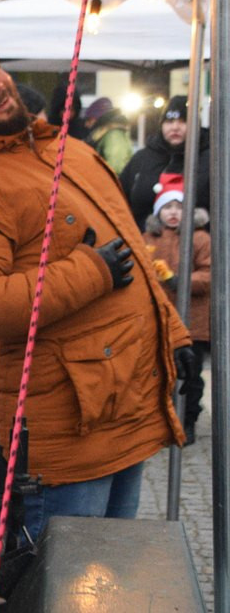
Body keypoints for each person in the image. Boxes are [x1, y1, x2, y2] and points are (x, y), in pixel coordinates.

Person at [0, 37, 196, 543]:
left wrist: (176, 337)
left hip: (123, 408)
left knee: (115, 574)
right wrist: (89, 273)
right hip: (66, 429)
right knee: (68, 584)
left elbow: (135, 259)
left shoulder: (67, 151)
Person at [142, 175, 210, 446]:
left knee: (191, 377)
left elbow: (209, 274)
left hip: (193, 320)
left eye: (179, 208)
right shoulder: (148, 238)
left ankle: (189, 420)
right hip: (159, 318)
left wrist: (179, 280)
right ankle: (160, 421)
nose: (173, 213)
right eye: (168, 207)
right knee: (158, 373)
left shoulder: (200, 238)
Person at [121, 95, 211, 232]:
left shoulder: (212, 159)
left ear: (195, 124)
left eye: (183, 121)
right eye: (169, 121)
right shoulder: (142, 159)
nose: (175, 127)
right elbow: (121, 200)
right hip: (146, 245)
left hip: (201, 246)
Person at [82, 97, 133, 175]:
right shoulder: (108, 135)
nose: (86, 124)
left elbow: (116, 167)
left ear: (98, 119)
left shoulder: (113, 136)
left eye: (89, 119)